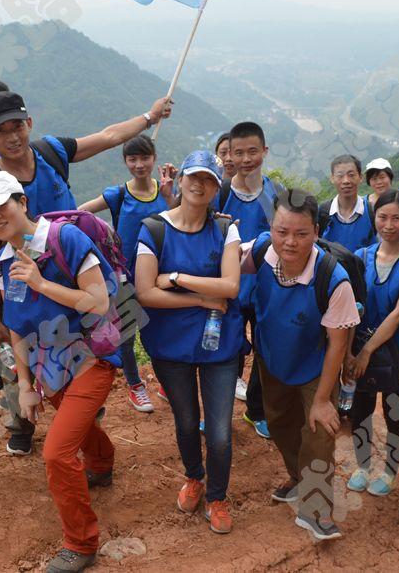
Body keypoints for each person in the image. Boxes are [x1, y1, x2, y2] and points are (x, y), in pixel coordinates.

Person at [0, 90, 172, 454]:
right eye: (0, 131)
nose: (12, 136)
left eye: (17, 126)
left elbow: (108, 136)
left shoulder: (51, 153)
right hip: (28, 289)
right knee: (22, 352)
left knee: (94, 355)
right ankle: (23, 425)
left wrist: (150, 117)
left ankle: (91, 433)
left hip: (78, 273)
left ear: (29, 123)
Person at [0, 170, 118, 573]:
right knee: (76, 424)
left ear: (22, 202)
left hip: (91, 356)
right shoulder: (4, 259)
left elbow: (99, 302)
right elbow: (17, 326)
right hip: (48, 364)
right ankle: (102, 464)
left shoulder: (65, 239)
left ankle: (81, 544)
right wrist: (24, 384)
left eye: (0, 206)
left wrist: (40, 282)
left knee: (56, 453)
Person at [134, 150, 243, 535]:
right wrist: (200, 298)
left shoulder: (226, 229)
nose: (200, 185)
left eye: (209, 179)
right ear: (180, 180)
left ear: (216, 188)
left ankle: (217, 496)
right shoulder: (154, 229)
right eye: (194, 177)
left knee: (219, 432)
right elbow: (146, 292)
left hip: (220, 346)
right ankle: (194, 477)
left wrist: (177, 277)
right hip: (171, 346)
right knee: (184, 420)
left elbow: (230, 286)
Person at [243, 189, 360, 540]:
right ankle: (298, 477)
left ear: (317, 232)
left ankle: (316, 510)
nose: (290, 242)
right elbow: (226, 264)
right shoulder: (260, 251)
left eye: (301, 233)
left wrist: (323, 399)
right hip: (272, 358)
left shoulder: (333, 279)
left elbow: (337, 344)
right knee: (279, 424)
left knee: (320, 432)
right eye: (282, 231)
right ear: (271, 228)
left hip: (315, 365)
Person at [346, 190, 399, 497]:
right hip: (359, 347)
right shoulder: (360, 257)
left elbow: (398, 315)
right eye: (383, 217)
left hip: (397, 351)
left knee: (394, 412)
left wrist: (366, 352)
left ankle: (390, 471)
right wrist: (349, 353)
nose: (389, 224)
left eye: (397, 218)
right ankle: (362, 465)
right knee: (360, 410)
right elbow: (349, 308)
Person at [78, 134, 173, 412]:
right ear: (125, 161)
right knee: (126, 336)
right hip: (125, 277)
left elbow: (181, 216)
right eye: (133, 159)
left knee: (160, 332)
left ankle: (166, 382)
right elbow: (81, 213)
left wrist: (170, 194)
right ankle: (135, 385)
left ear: (154, 158)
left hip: (159, 275)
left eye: (145, 158)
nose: (139, 164)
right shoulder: (118, 194)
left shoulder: (164, 191)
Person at [220, 121, 285, 438]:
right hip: (227, 289)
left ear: (265, 151)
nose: (246, 159)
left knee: (265, 351)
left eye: (252, 151)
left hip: (266, 288)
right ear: (229, 154)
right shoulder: (219, 193)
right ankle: (218, 416)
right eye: (239, 152)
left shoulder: (277, 193)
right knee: (223, 353)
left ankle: (256, 411)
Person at [318, 154, 375, 253]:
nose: (346, 181)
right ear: (332, 179)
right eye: (340, 176)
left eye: (351, 175)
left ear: (361, 177)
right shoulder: (323, 212)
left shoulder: (371, 212)